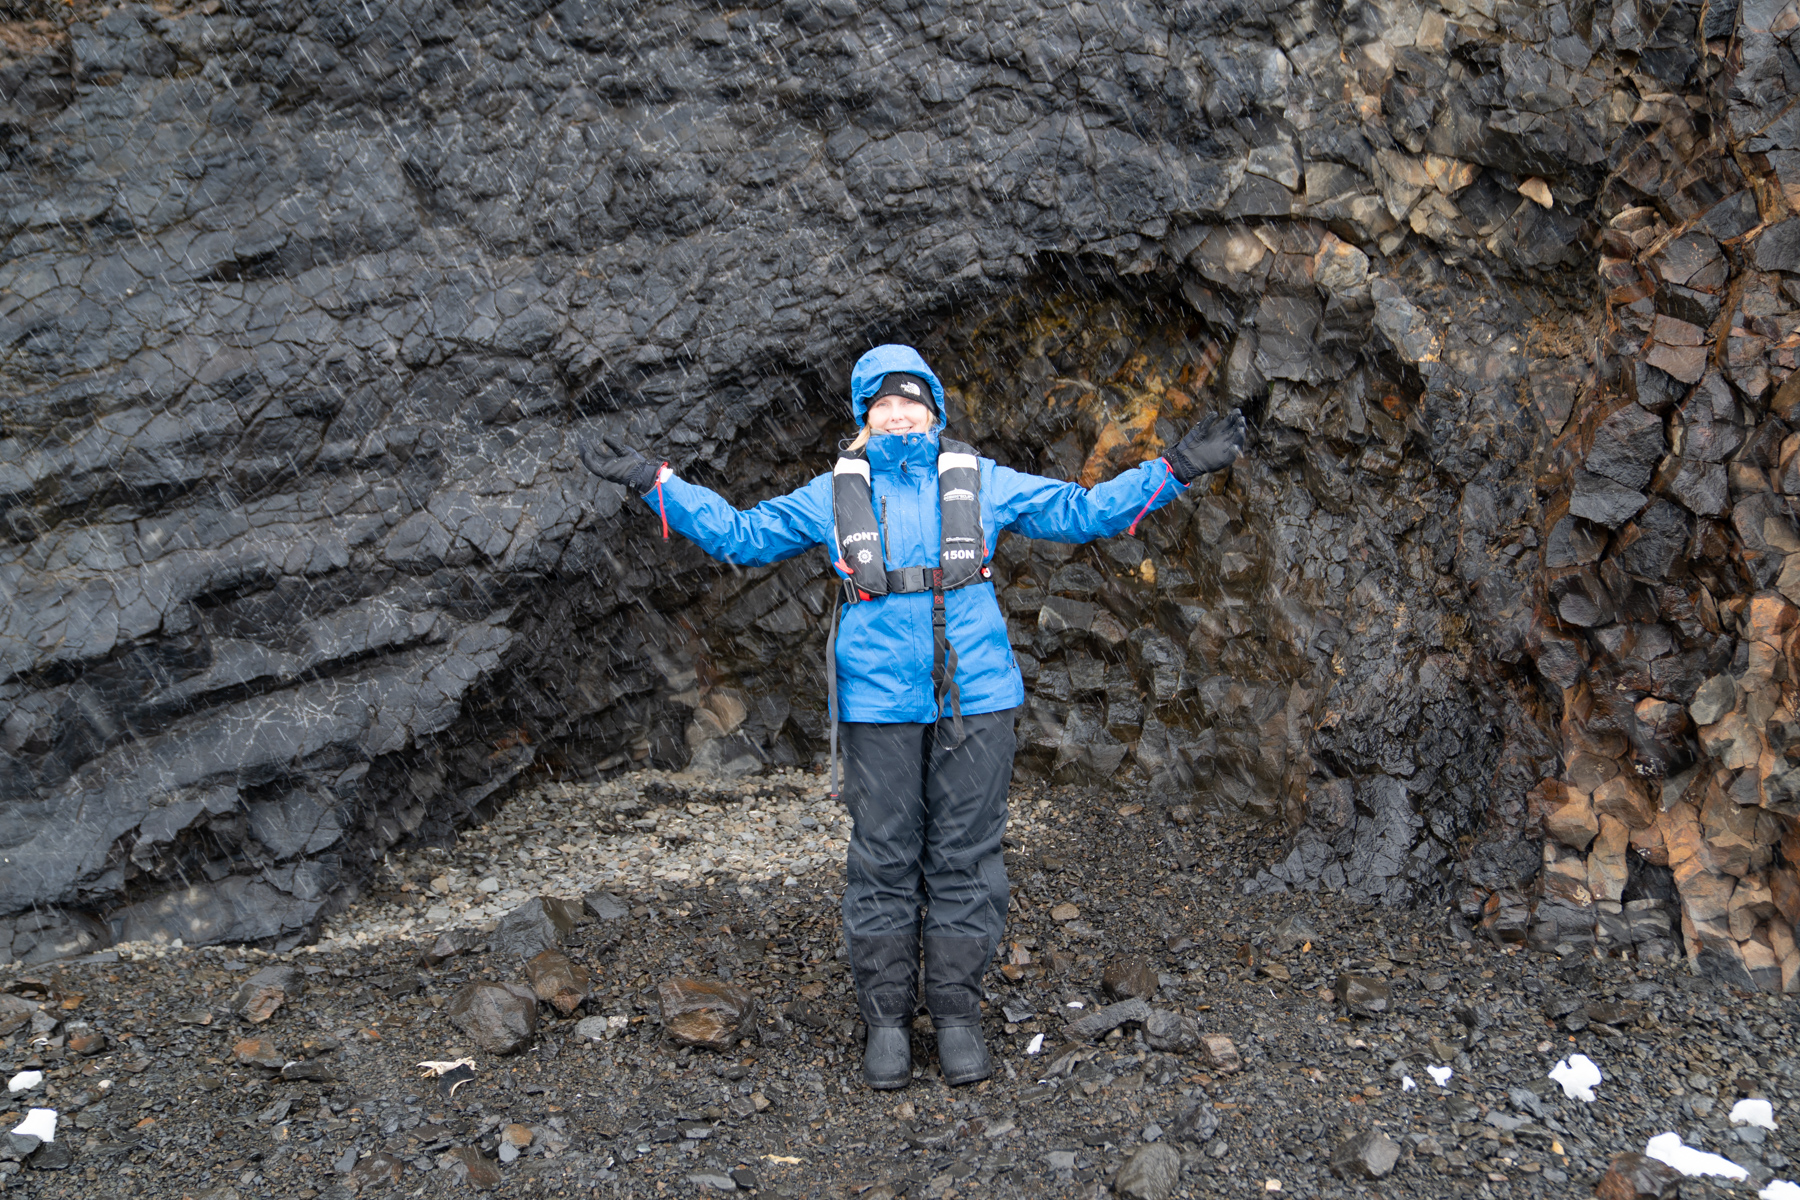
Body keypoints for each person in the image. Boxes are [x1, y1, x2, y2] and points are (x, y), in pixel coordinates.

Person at [580, 344, 1245, 1089]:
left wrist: (1176, 467)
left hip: (978, 696)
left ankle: (956, 1015)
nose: (898, 415)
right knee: (884, 858)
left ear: (934, 412)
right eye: (883, 405)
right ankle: (887, 1022)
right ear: (865, 420)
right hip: (876, 701)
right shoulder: (832, 496)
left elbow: (1080, 512)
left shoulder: (982, 482)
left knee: (966, 855)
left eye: (911, 402)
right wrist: (655, 482)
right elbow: (740, 534)